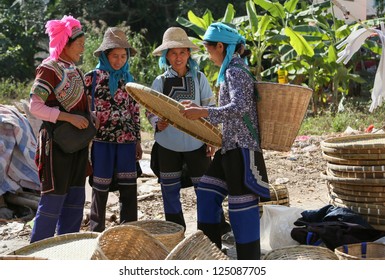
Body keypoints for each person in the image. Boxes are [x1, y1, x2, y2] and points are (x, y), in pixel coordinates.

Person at [180, 22, 271, 260]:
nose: (209, 56)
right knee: (208, 193)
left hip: (242, 149)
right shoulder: (232, 69)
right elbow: (229, 108)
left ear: (220, 46)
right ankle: (211, 255)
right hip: (229, 147)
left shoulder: (235, 71)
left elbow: (239, 107)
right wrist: (203, 109)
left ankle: (249, 263)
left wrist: (204, 112)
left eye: (210, 50)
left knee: (242, 210)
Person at [29, 15, 90, 243]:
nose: (82, 50)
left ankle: (67, 251)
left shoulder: (75, 70)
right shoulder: (49, 69)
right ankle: (38, 255)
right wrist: (69, 118)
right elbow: (35, 106)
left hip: (77, 145)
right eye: (80, 45)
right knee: (53, 201)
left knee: (75, 200)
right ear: (65, 43)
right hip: (56, 145)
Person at [147, 27, 216, 229]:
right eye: (173, 53)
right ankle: (175, 232)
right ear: (166, 56)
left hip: (196, 143)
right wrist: (156, 123)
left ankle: (210, 231)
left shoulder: (199, 78)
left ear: (189, 54)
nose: (178, 57)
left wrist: (210, 139)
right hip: (167, 145)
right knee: (169, 191)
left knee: (205, 189)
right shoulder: (160, 82)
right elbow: (150, 110)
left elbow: (210, 108)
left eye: (182, 52)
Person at [84, 27, 142, 232]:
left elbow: (135, 111)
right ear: (106, 56)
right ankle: (95, 231)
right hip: (101, 141)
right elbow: (79, 105)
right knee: (100, 188)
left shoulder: (130, 80)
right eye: (115, 56)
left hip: (126, 142)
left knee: (128, 189)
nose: (119, 60)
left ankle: (128, 230)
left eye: (123, 56)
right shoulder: (92, 78)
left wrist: (137, 140)